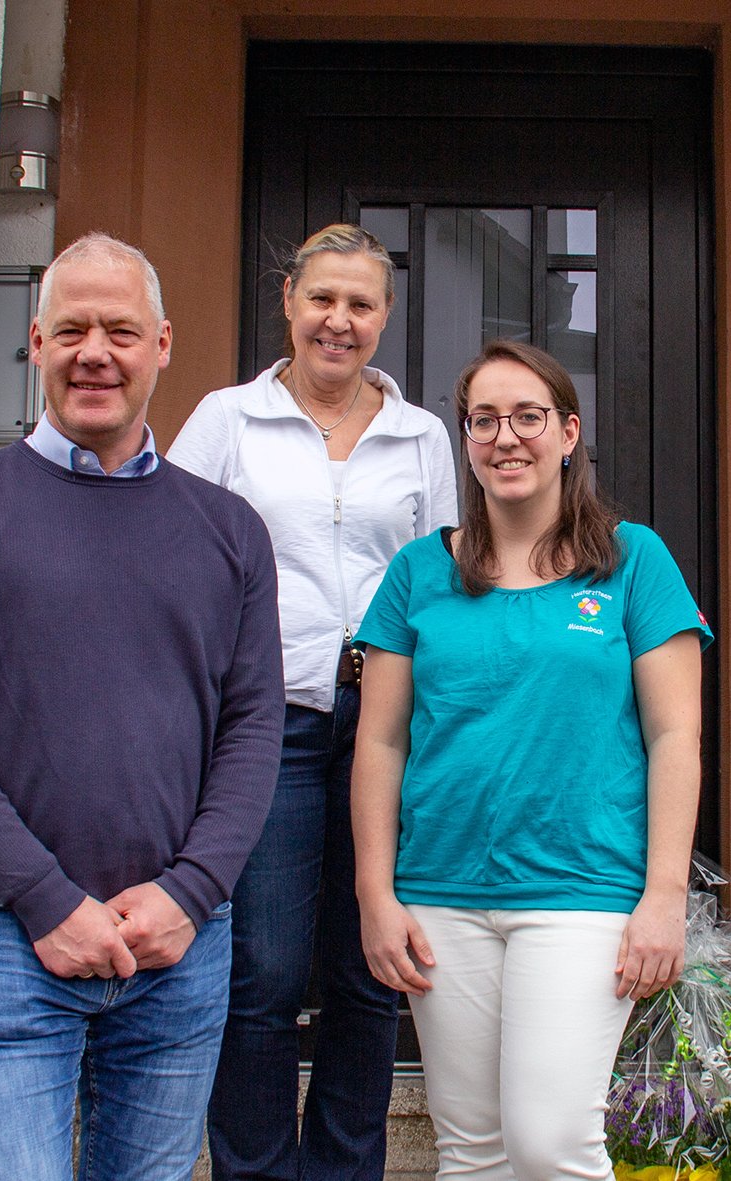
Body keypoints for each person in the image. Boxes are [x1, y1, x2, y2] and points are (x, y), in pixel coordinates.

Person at [0, 232, 285, 1181]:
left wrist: (191, 891)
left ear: (163, 345)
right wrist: (46, 898)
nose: (94, 351)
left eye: (120, 330)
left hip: (179, 943)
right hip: (11, 928)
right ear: (35, 341)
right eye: (71, 329)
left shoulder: (227, 532)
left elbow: (254, 726)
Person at [350, 339, 709, 1181]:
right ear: (465, 439)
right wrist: (376, 893)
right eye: (483, 420)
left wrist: (665, 894)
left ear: (568, 432)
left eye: (527, 417)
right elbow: (380, 739)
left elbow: (675, 736)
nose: (505, 438)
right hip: (440, 893)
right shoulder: (418, 571)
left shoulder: (633, 561)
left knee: (551, 1141)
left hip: (582, 893)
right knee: (472, 1152)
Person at [168, 224, 459, 1181]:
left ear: (384, 318)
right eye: (322, 299)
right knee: (261, 970)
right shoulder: (225, 420)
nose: (340, 321)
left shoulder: (421, 436)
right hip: (267, 723)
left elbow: (444, 582)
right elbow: (173, 563)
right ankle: (254, 1169)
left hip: (385, 724)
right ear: (288, 303)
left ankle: (343, 1169)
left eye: (361, 304)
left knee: (369, 970)